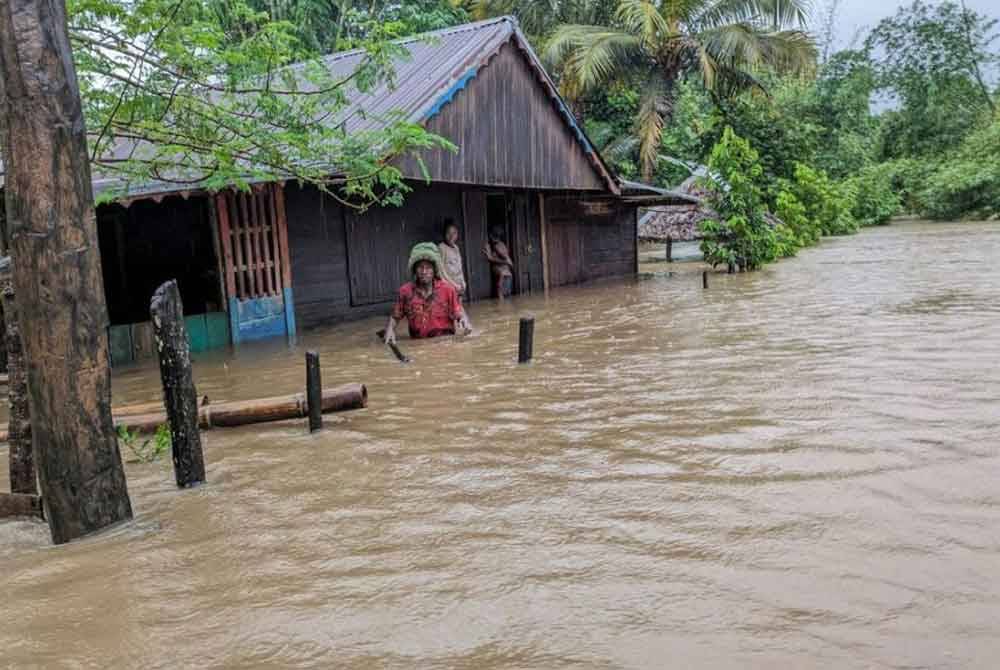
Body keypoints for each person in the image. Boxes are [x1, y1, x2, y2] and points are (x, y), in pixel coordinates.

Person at [384, 243, 472, 346]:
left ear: (434, 270)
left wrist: (465, 321)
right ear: (414, 270)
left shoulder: (448, 290)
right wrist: (390, 330)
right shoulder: (405, 292)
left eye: (428, 267)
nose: (424, 271)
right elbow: (395, 316)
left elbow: (459, 311)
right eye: (420, 267)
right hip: (418, 346)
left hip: (446, 345)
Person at [481, 226, 514, 300]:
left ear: (491, 235)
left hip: (503, 276)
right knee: (504, 300)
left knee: (503, 300)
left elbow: (508, 261)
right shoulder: (496, 245)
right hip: (503, 276)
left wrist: (490, 257)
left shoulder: (499, 246)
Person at [437, 219, 467, 298]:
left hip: (458, 286)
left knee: (459, 305)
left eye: (454, 233)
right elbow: (441, 271)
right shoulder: (441, 247)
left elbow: (459, 267)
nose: (451, 236)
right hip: (448, 287)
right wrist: (453, 285)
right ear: (444, 234)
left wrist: (463, 282)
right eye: (448, 233)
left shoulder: (456, 248)